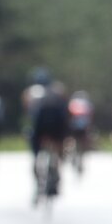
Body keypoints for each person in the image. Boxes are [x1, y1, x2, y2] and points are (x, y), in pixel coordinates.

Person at [21, 68, 70, 204]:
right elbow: (65, 109)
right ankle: (57, 171)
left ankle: (38, 185)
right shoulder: (58, 89)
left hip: (39, 124)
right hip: (58, 124)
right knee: (58, 147)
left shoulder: (30, 92)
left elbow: (28, 113)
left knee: (36, 155)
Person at [65, 90, 94, 174]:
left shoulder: (72, 103)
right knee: (84, 141)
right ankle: (81, 155)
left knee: (70, 139)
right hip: (83, 127)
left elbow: (68, 116)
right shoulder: (88, 104)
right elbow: (90, 117)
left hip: (73, 126)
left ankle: (70, 151)